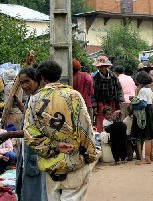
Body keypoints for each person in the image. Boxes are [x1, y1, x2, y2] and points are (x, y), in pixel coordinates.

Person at [24, 61, 97, 200]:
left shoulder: (34, 100)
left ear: (42, 79)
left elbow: (30, 135)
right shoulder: (73, 95)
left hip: (51, 165)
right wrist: (90, 155)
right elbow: (85, 127)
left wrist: (54, 147)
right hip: (75, 161)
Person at [1, 67, 49, 201]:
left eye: (27, 82)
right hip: (27, 151)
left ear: (37, 80)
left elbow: (35, 129)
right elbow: (29, 116)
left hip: (36, 152)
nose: (24, 86)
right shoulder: (31, 98)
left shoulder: (41, 100)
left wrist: (9, 135)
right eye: (22, 83)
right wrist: (21, 105)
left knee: (36, 191)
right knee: (25, 187)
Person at [131, 71, 153, 165]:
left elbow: (142, 103)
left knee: (146, 136)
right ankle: (149, 156)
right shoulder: (150, 89)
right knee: (150, 136)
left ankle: (146, 158)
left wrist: (133, 100)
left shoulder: (142, 90)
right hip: (150, 110)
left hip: (145, 112)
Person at [92, 56, 124, 132]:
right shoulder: (95, 78)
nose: (101, 68)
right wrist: (94, 106)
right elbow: (92, 93)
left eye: (103, 66)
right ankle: (101, 138)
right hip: (100, 103)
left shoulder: (113, 76)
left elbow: (119, 89)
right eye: (99, 67)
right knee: (100, 122)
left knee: (113, 120)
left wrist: (120, 100)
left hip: (112, 103)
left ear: (106, 66)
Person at [72, 59, 95, 124]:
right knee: (88, 126)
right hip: (86, 104)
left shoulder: (70, 78)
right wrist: (89, 92)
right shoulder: (85, 75)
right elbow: (90, 82)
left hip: (74, 106)